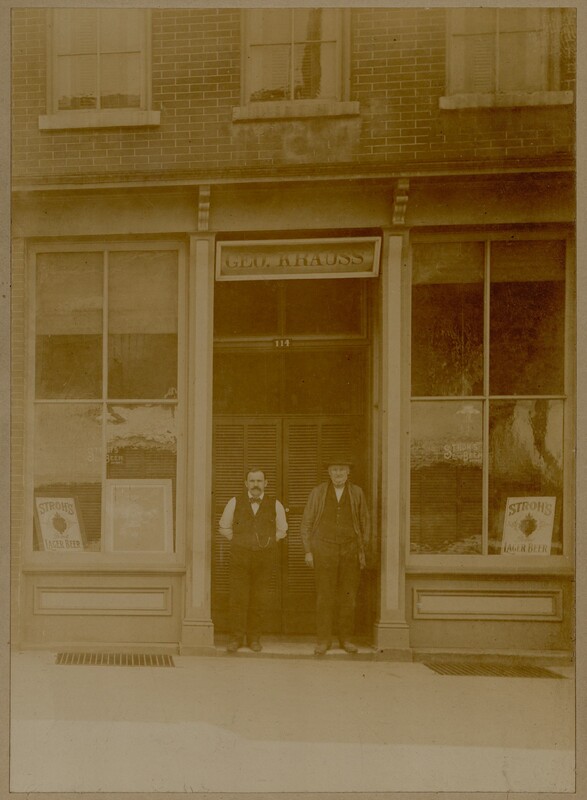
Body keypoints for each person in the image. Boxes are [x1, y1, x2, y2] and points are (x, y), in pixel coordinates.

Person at [300, 458, 370, 656]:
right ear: (329, 473)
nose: (338, 474)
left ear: (348, 473)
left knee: (348, 597)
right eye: (334, 470)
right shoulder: (318, 492)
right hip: (324, 550)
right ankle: (323, 640)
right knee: (325, 596)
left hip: (350, 551)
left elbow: (365, 522)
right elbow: (306, 523)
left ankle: (346, 639)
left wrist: (361, 550)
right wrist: (308, 550)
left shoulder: (357, 493)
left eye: (342, 470)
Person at [219, 468, 287, 653]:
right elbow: (224, 527)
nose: (256, 484)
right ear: (246, 484)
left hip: (264, 560)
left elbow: (282, 530)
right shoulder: (234, 502)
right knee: (238, 599)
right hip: (240, 559)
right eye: (252, 481)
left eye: (259, 481)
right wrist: (241, 541)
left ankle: (254, 639)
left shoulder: (275, 504)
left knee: (259, 599)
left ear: (265, 484)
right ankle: (236, 638)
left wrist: (267, 543)